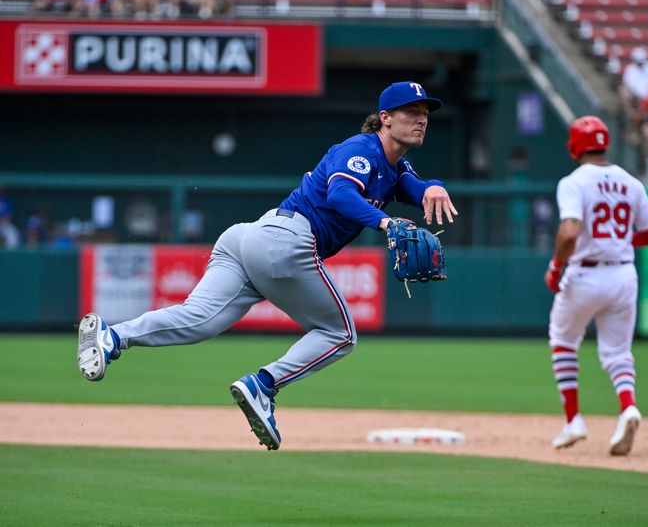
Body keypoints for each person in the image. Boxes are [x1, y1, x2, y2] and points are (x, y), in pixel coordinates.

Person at [76, 81, 459, 450]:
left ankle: (112, 337)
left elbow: (411, 186)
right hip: (285, 239)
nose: (421, 119)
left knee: (199, 320)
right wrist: (386, 222)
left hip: (250, 238)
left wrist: (432, 187)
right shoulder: (360, 149)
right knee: (340, 334)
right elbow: (342, 194)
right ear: (385, 118)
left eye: (425, 112)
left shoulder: (395, 167)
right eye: (412, 112)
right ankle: (264, 384)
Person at [543, 116, 648, 456]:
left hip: (585, 272)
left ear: (574, 147)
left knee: (563, 340)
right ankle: (628, 407)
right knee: (618, 353)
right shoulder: (631, 181)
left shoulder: (574, 181)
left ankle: (574, 421)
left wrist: (555, 266)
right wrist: (620, 239)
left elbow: (569, 232)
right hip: (623, 274)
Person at [620, 47, 648, 126]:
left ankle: (645, 116)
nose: (640, 64)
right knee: (624, 92)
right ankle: (631, 114)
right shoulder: (630, 69)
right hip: (635, 98)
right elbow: (626, 85)